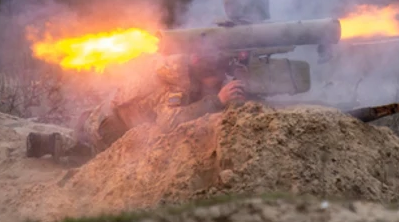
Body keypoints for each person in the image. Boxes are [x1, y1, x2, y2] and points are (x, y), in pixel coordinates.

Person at [26, 54, 246, 162]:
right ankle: (59, 144)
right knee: (112, 159)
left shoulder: (176, 69)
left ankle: (70, 139)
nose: (219, 82)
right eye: (216, 78)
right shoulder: (175, 84)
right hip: (109, 131)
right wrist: (217, 101)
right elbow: (169, 122)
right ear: (202, 75)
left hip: (103, 115)